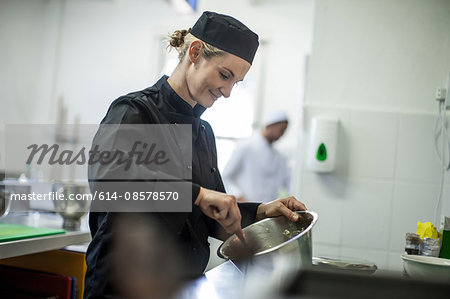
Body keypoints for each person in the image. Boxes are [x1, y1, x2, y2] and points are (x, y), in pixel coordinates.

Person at [84, 11, 306, 298]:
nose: (227, 91)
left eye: (235, 82)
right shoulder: (134, 112)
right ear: (195, 51)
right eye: (224, 75)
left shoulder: (203, 133)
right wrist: (198, 195)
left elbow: (210, 217)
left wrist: (262, 213)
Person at [222, 110, 291, 203]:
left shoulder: (279, 157)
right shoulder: (245, 146)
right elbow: (226, 178)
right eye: (281, 129)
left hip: (266, 213)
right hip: (243, 209)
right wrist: (239, 197)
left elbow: (287, 183)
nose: (282, 134)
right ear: (271, 125)